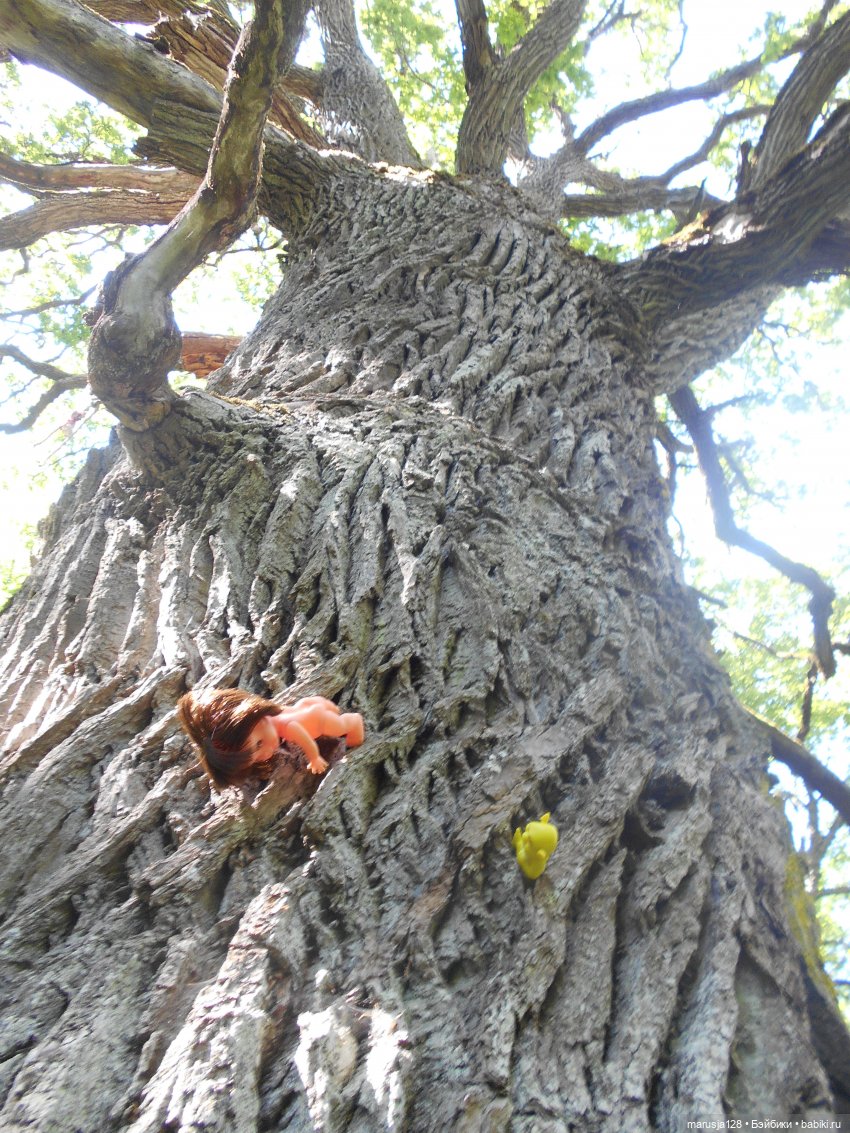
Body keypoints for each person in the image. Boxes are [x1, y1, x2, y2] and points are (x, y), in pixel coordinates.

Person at [177, 687, 365, 788]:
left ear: (254, 714)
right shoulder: (273, 718)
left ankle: (354, 723)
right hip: (309, 707)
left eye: (259, 744)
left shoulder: (287, 727)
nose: (266, 754)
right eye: (257, 757)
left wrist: (314, 757)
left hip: (320, 721)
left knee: (340, 726)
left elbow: (304, 739)